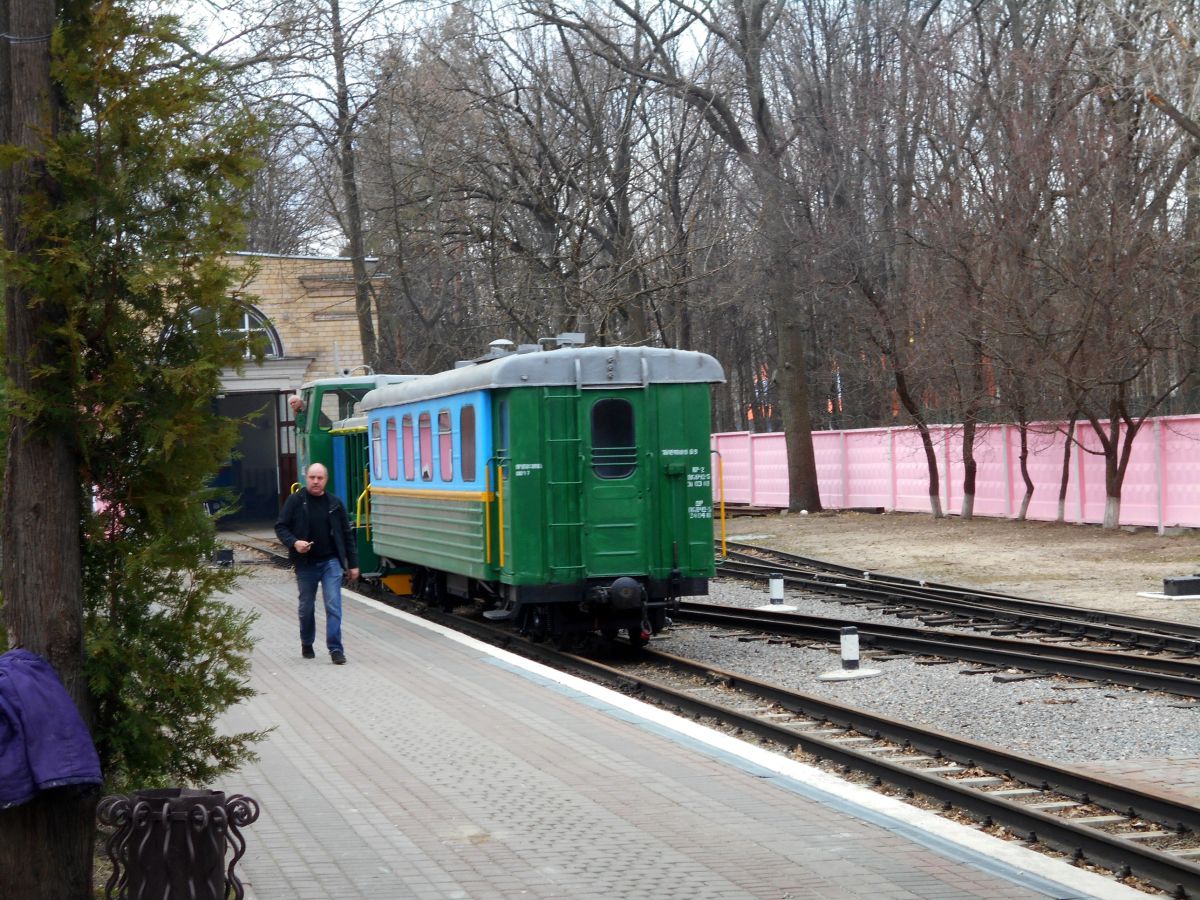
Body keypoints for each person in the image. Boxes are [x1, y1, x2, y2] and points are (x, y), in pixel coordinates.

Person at [275, 463, 359, 664]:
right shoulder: (296, 501)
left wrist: (353, 564)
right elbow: (281, 526)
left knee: (333, 605)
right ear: (306, 478)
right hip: (306, 563)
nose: (315, 481)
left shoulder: (334, 503)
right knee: (306, 606)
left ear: (326, 480)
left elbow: (347, 535)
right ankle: (307, 641)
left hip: (330, 561)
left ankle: (336, 649)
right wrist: (295, 543)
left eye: (319, 478)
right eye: (312, 477)